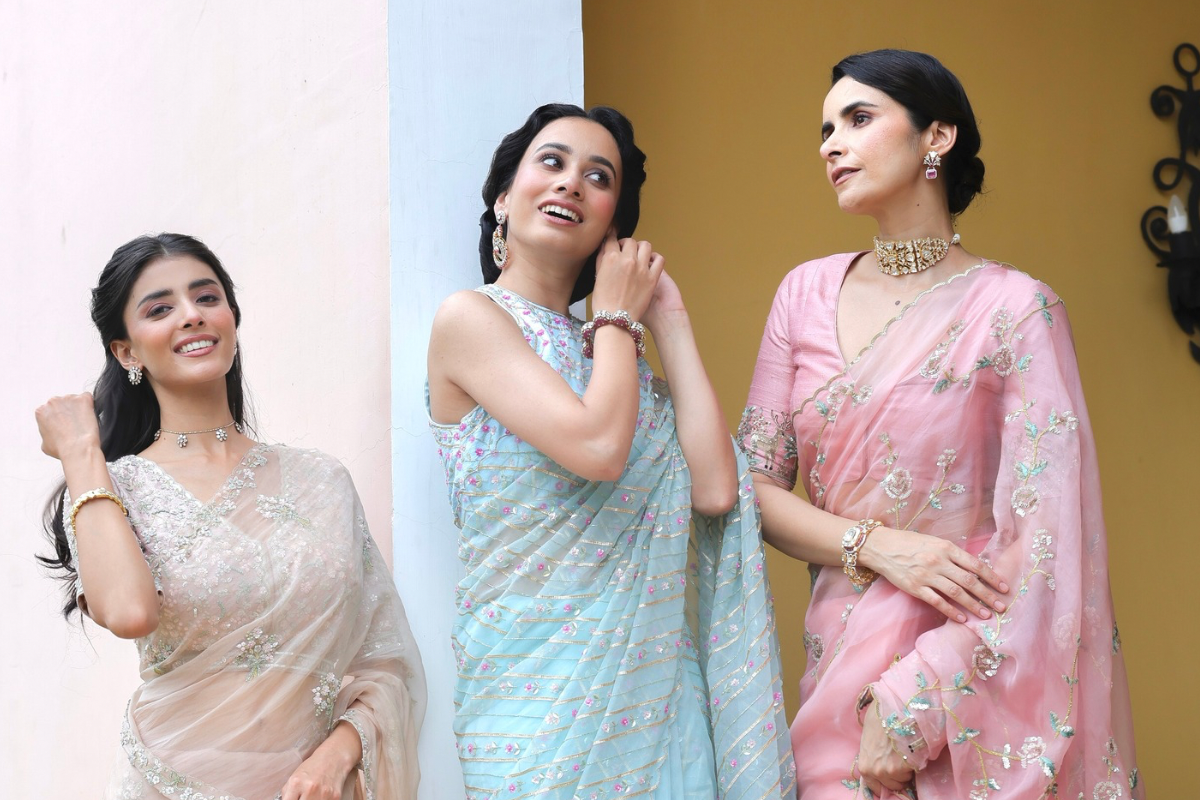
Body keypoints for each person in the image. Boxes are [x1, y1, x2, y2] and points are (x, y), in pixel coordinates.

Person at [739, 50, 1141, 799]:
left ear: (938, 137)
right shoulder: (801, 295)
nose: (831, 143)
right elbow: (753, 488)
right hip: (838, 671)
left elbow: (1048, 545)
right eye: (825, 128)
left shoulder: (1016, 310)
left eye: (859, 119)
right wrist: (881, 548)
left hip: (970, 682)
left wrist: (915, 698)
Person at [426, 103, 797, 799]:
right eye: (552, 162)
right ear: (504, 196)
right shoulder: (471, 320)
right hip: (531, 709)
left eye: (599, 177)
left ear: (613, 225)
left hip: (655, 698)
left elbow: (716, 491)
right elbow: (597, 448)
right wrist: (619, 318)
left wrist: (671, 321)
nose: (571, 183)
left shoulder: (616, 360)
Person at [36, 233, 426, 800]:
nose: (191, 316)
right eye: (160, 308)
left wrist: (339, 753)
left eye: (207, 297)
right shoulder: (111, 489)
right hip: (175, 783)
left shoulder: (321, 481)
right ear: (127, 352)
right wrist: (80, 454)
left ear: (231, 320)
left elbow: (383, 660)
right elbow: (128, 610)